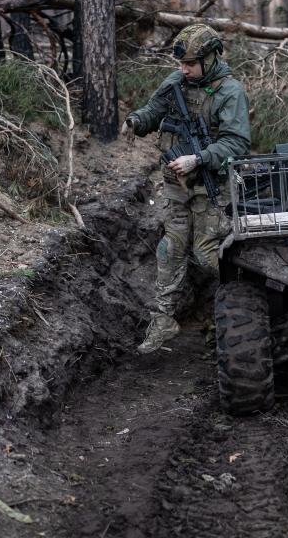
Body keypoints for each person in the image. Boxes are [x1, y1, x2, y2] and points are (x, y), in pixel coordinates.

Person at [121, 24, 250, 354]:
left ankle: (243, 309)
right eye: (181, 64)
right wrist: (136, 121)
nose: (183, 70)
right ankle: (163, 319)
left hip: (213, 188)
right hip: (176, 185)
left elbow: (237, 143)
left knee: (208, 255)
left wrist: (200, 158)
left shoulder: (229, 92)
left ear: (209, 59)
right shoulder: (177, 81)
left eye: (190, 64)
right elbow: (155, 109)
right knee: (170, 249)